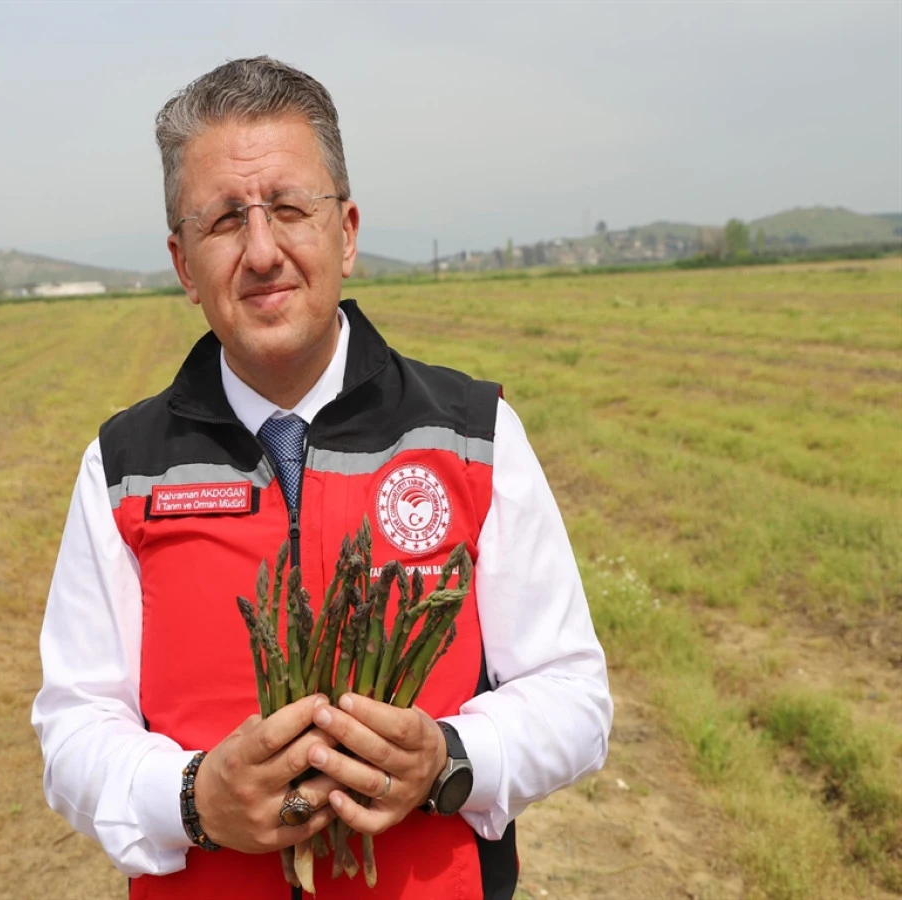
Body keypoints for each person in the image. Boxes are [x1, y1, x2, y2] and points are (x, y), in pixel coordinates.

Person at [32, 56, 612, 900]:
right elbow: (73, 726)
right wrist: (193, 799)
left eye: (291, 210)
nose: (262, 251)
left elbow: (574, 700)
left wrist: (448, 759)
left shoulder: (472, 433)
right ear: (183, 264)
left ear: (346, 231)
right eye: (225, 219)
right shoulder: (123, 465)